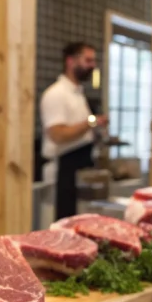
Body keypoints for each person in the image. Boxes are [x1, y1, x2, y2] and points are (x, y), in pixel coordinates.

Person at [40, 42, 108, 220]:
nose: (93, 65)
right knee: (62, 224)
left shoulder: (77, 93)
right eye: (88, 60)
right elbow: (58, 134)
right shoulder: (56, 94)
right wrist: (91, 122)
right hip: (64, 169)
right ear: (71, 61)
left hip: (80, 165)